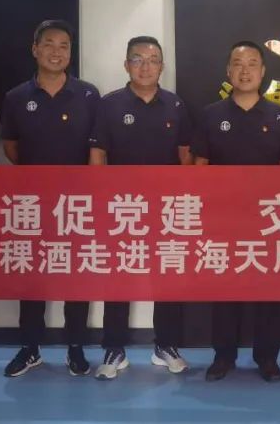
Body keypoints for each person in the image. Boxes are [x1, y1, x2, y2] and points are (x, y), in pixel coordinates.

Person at [0, 20, 101, 378]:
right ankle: (30, 348)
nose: (56, 52)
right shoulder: (16, 97)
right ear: (35, 49)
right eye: (49, 44)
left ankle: (76, 347)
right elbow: (12, 148)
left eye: (64, 46)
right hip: (33, 202)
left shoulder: (88, 95)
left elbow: (97, 149)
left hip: (77, 203)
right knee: (33, 277)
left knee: (76, 276)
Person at [90, 36, 193, 379]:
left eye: (153, 60)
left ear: (162, 66)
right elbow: (98, 154)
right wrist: (101, 200)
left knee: (167, 278)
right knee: (118, 278)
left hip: (166, 209)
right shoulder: (109, 104)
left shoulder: (176, 105)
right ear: (126, 65)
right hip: (122, 208)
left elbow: (185, 157)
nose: (145, 66)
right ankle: (114, 348)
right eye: (137, 59)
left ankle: (166, 346)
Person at [194, 41, 280, 383]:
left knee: (268, 292)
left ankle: (267, 357)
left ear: (263, 72)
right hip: (224, 218)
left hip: (269, 219)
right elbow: (200, 165)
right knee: (225, 291)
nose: (245, 70)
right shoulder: (210, 115)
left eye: (252, 64)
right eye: (238, 64)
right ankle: (223, 356)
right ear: (228, 72)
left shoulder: (278, 115)